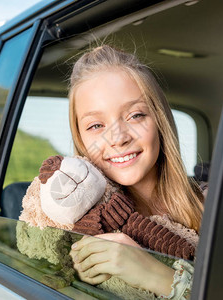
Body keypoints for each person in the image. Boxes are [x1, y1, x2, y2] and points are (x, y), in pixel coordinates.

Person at [67, 45, 204, 299]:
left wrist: (152, 274)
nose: (118, 138)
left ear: (160, 121)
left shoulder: (217, 207)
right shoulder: (75, 225)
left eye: (135, 115)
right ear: (80, 138)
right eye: (96, 125)